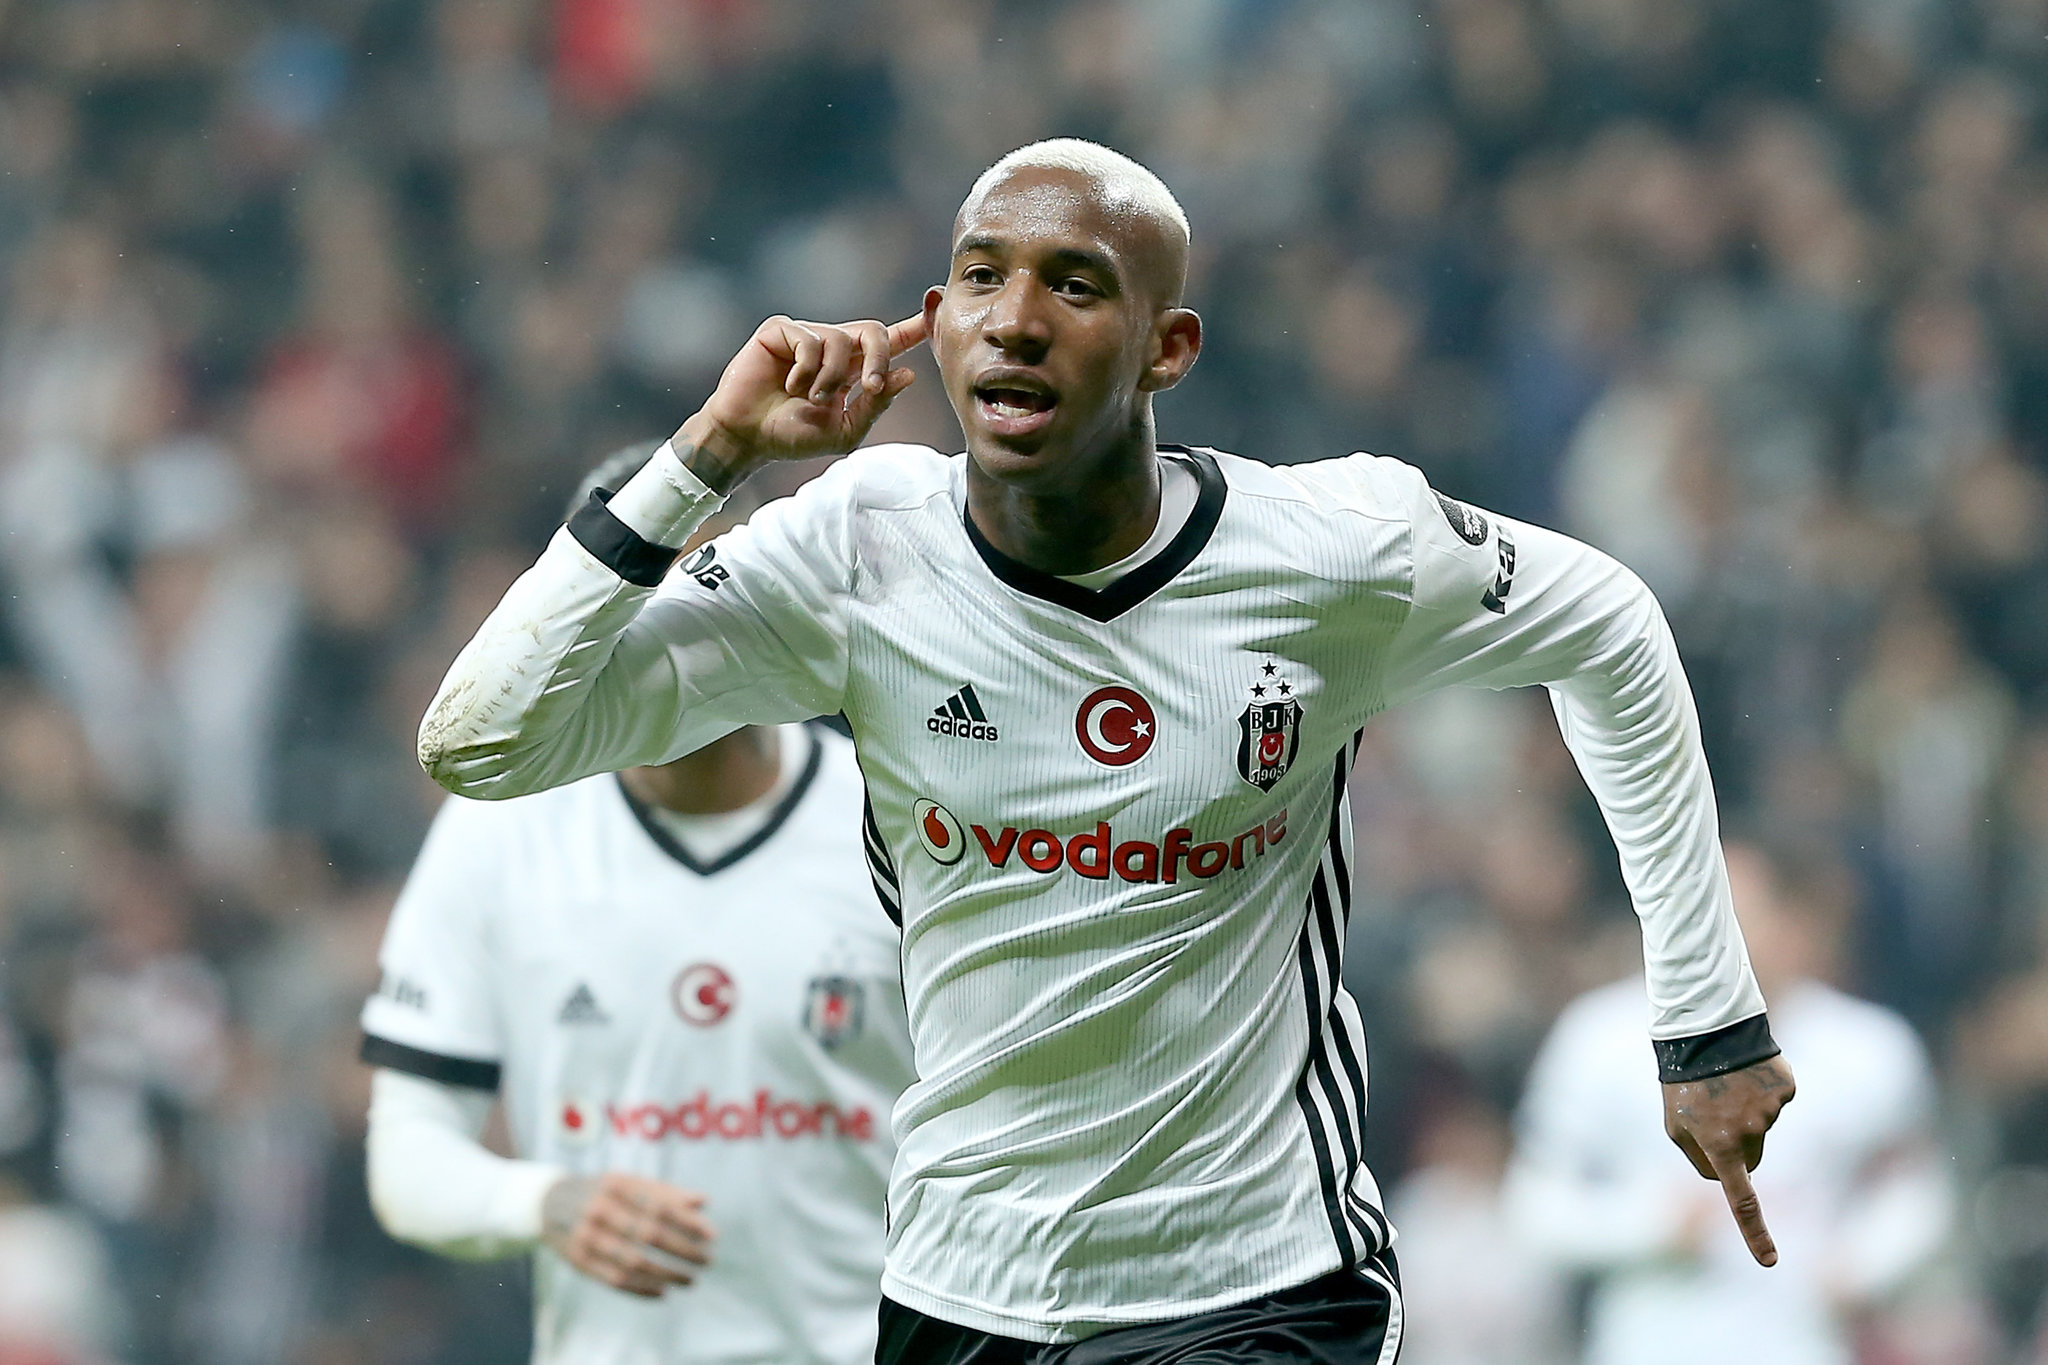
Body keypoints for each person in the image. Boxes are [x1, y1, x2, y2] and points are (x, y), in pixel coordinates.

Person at [416, 139, 1796, 1361]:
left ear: (1166, 348)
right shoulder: (852, 554)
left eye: (1073, 286)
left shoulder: (1334, 551)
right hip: (961, 1288)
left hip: (1259, 1288)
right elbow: (480, 743)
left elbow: (1610, 626)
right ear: (936, 325)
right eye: (980, 279)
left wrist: (1706, 1016)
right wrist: (711, 451)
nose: (1015, 320)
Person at [362, 446, 915, 1365]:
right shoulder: (501, 829)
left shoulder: (894, 811)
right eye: (631, 603)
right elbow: (408, 1159)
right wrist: (542, 1201)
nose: (664, 633)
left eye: (699, 589)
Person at [1506, 839, 1950, 1365]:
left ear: (1792, 920)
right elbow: (1533, 1205)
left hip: (1802, 1346)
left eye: (1729, 910)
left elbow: (1916, 1193)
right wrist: (1654, 1224)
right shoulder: (1597, 1037)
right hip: (1648, 1346)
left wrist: (1861, 1267)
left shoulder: (1869, 1048)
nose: (1704, 931)